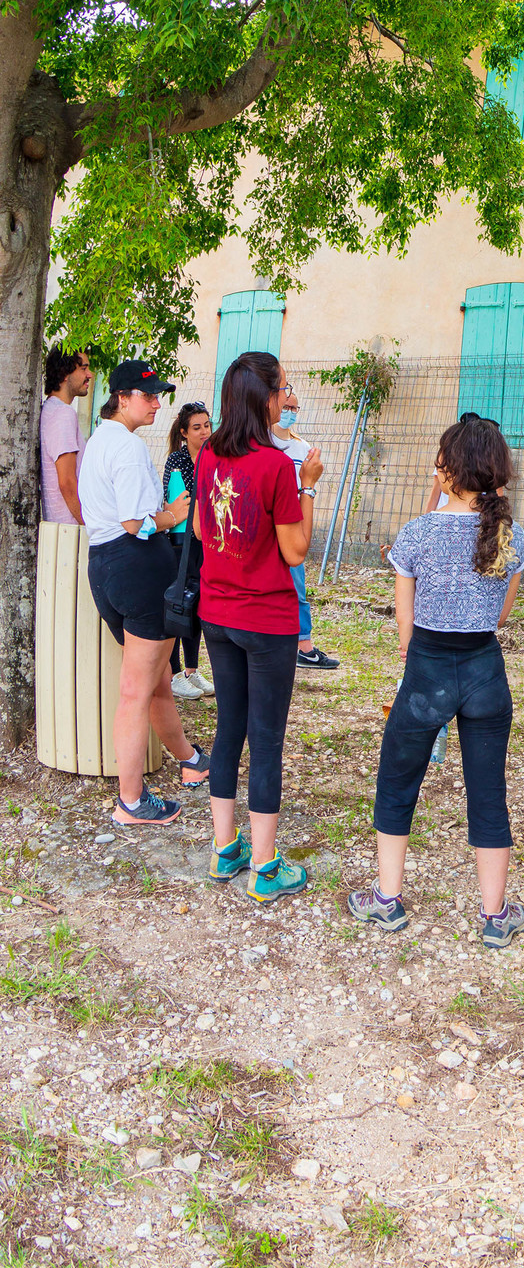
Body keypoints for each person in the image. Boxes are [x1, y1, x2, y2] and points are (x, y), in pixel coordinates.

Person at [349, 416, 524, 944]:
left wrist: (417, 649)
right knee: (488, 792)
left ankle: (387, 900)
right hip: (484, 672)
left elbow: (404, 624)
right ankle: (494, 916)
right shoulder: (509, 535)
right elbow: (499, 617)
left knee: (397, 783)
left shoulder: (416, 533)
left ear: (447, 471)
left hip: (427, 670)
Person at [196, 351, 323, 904]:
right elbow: (295, 551)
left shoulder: (208, 458)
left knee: (229, 729)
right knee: (266, 739)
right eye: (284, 391)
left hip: (216, 614)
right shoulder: (276, 465)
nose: (288, 400)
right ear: (265, 399)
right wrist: (309, 486)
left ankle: (226, 851)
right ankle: (266, 869)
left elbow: (203, 530)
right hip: (267, 618)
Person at [80, 361, 210, 828]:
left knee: (154, 680)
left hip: (105, 568)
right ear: (123, 396)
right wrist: (174, 513)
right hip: (137, 568)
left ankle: (192, 760)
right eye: (150, 395)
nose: (158, 403)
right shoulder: (129, 447)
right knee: (137, 690)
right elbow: (138, 524)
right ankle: (131, 801)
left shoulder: (97, 442)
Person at [273, 380, 339, 671]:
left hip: (293, 522)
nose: (290, 412)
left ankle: (304, 644)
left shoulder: (302, 447)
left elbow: (306, 488)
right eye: (286, 407)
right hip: (271, 524)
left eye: (294, 408)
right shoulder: (264, 443)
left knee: (297, 584)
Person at [162, 403, 213, 699]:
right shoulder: (177, 461)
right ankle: (174, 672)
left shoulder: (215, 457)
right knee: (180, 603)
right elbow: (183, 503)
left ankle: (192, 671)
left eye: (207, 425)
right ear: (184, 433)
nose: (204, 431)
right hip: (182, 541)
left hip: (206, 539)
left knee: (198, 606)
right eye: (197, 427)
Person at [40, 346, 91, 526]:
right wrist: (90, 524)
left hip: (61, 530)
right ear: (64, 374)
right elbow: (67, 482)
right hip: (70, 532)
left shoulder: (50, 409)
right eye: (83, 368)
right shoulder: (63, 414)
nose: (90, 375)